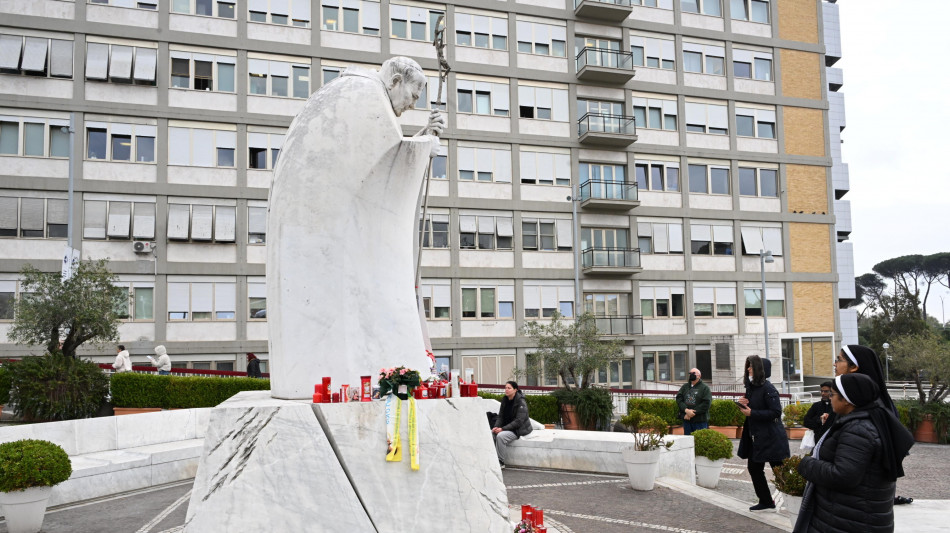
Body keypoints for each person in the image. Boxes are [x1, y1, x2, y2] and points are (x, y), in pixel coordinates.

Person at [266, 56, 445, 399]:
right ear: (395, 80)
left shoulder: (360, 94)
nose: (414, 103)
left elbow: (376, 162)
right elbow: (382, 163)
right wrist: (425, 147)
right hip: (325, 242)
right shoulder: (362, 96)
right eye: (414, 92)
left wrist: (423, 138)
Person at [793, 373, 915, 533]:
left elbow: (843, 475)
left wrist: (806, 464)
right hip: (850, 516)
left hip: (850, 520)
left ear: (847, 400)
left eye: (833, 394)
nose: (830, 398)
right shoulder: (864, 422)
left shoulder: (858, 429)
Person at [835, 343, 912, 505]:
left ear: (854, 367)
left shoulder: (869, 410)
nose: (835, 364)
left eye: (839, 359)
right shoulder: (860, 403)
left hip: (861, 500)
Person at [737, 355, 790, 511]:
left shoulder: (768, 388)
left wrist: (752, 413)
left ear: (759, 369)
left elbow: (776, 412)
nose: (748, 369)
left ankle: (801, 500)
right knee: (754, 468)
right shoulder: (752, 388)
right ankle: (766, 501)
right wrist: (744, 404)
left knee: (780, 472)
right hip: (757, 438)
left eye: (751, 366)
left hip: (772, 438)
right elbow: (756, 408)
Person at [491, 381, 532, 469]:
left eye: (509, 388)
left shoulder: (521, 402)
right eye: (505, 388)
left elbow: (519, 421)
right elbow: (500, 416)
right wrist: (496, 426)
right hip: (506, 427)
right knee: (492, 433)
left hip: (518, 429)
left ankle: (500, 461)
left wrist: (502, 429)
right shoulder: (505, 400)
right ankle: (492, 459)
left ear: (515, 390)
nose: (506, 390)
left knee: (501, 436)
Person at [675, 367, 711, 435]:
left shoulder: (705, 388)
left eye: (694, 373)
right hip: (687, 420)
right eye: (690, 373)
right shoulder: (685, 387)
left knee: (700, 440)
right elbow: (679, 399)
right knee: (687, 441)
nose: (691, 375)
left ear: (699, 376)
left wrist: (692, 412)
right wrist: (686, 410)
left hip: (700, 421)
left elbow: (706, 403)